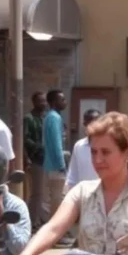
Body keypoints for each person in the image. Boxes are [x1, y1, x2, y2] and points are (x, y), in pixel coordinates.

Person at [2, 112, 128, 255]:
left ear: (127, 154)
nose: (97, 160)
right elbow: (53, 228)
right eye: (93, 152)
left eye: (105, 152)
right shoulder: (82, 191)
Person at [40, 89, 68, 223]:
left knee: (51, 200)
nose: (65, 102)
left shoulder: (49, 117)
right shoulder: (55, 118)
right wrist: (62, 165)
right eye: (62, 99)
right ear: (54, 102)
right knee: (57, 200)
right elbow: (57, 144)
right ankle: (55, 228)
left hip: (49, 164)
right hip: (56, 166)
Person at [24, 91, 48, 230]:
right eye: (40, 101)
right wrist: (39, 147)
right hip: (35, 159)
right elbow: (25, 139)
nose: (43, 104)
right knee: (36, 193)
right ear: (34, 102)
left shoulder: (44, 118)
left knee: (42, 194)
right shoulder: (29, 119)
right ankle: (31, 222)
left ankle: (38, 220)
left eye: (44, 101)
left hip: (45, 160)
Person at [65, 109, 103, 190]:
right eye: (91, 123)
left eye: (98, 123)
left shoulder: (108, 146)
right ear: (85, 124)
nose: (95, 127)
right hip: (83, 193)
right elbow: (73, 174)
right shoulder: (79, 146)